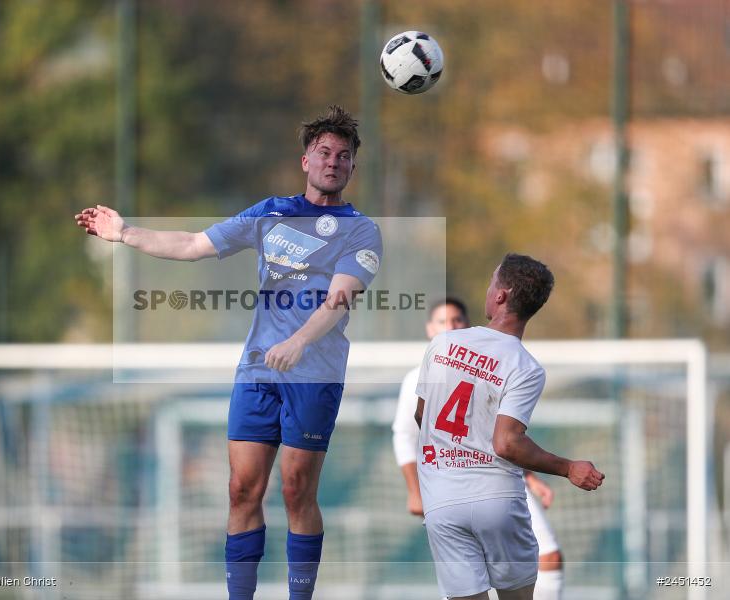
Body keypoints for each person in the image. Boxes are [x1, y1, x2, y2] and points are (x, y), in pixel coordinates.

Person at [75, 105, 382, 600]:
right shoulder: (269, 214)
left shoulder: (361, 229)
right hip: (258, 372)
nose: (333, 162)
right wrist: (124, 234)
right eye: (324, 152)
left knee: (296, 490)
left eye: (343, 156)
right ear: (305, 160)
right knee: (242, 490)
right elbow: (194, 243)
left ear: (351, 169)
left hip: (313, 376)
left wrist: (299, 341)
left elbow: (339, 299)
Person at [414, 254, 603, 600]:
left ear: (501, 295)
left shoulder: (442, 344)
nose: (488, 289)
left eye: (491, 282)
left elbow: (421, 417)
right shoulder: (526, 367)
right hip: (497, 499)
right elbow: (507, 444)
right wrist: (568, 467)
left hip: (441, 499)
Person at [393, 298, 566, 599]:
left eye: (457, 320)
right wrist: (415, 488)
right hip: (466, 484)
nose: (451, 326)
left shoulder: (495, 360)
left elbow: (495, 434)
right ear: (429, 328)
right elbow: (406, 432)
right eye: (443, 322)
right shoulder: (417, 375)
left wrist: (530, 477)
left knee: (548, 557)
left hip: (490, 481)